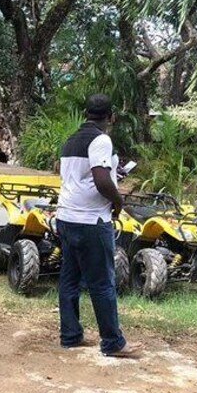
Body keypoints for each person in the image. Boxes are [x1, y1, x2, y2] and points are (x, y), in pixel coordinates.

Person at [56, 94, 140, 358]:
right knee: (103, 282)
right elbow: (102, 180)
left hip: (66, 217)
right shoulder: (101, 139)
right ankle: (113, 342)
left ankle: (70, 335)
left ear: (85, 113)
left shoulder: (71, 141)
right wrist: (118, 203)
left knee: (69, 278)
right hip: (91, 220)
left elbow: (78, 176)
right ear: (110, 117)